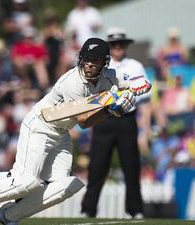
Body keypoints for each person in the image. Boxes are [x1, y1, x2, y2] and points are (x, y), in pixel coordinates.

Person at [0, 37, 151, 225]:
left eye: (95, 60)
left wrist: (139, 86)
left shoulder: (110, 76)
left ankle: (8, 215)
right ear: (81, 59)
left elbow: (135, 81)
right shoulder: (72, 82)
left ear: (104, 63)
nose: (90, 64)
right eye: (87, 59)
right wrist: (114, 110)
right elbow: (83, 121)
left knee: (66, 185)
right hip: (39, 126)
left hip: (61, 132)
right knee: (26, 181)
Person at [81, 27, 150, 218]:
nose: (118, 48)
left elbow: (146, 95)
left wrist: (145, 130)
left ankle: (135, 209)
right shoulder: (101, 64)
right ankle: (88, 209)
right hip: (104, 117)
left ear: (126, 46)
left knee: (131, 165)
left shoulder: (135, 65)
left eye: (121, 44)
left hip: (127, 119)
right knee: (97, 166)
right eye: (114, 45)